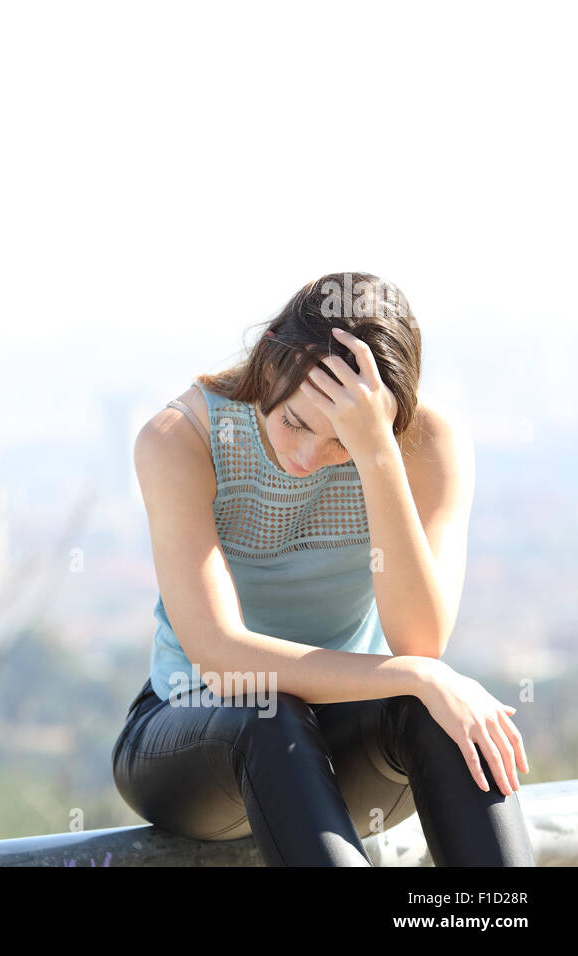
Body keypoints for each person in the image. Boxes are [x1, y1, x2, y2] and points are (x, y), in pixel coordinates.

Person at [111, 272, 535, 866]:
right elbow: (221, 655)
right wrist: (416, 675)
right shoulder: (183, 437)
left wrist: (377, 454)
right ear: (268, 366)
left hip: (343, 748)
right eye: (296, 423)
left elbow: (420, 640)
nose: (309, 457)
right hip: (199, 741)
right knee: (270, 705)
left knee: (442, 711)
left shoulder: (425, 443)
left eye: (339, 439)